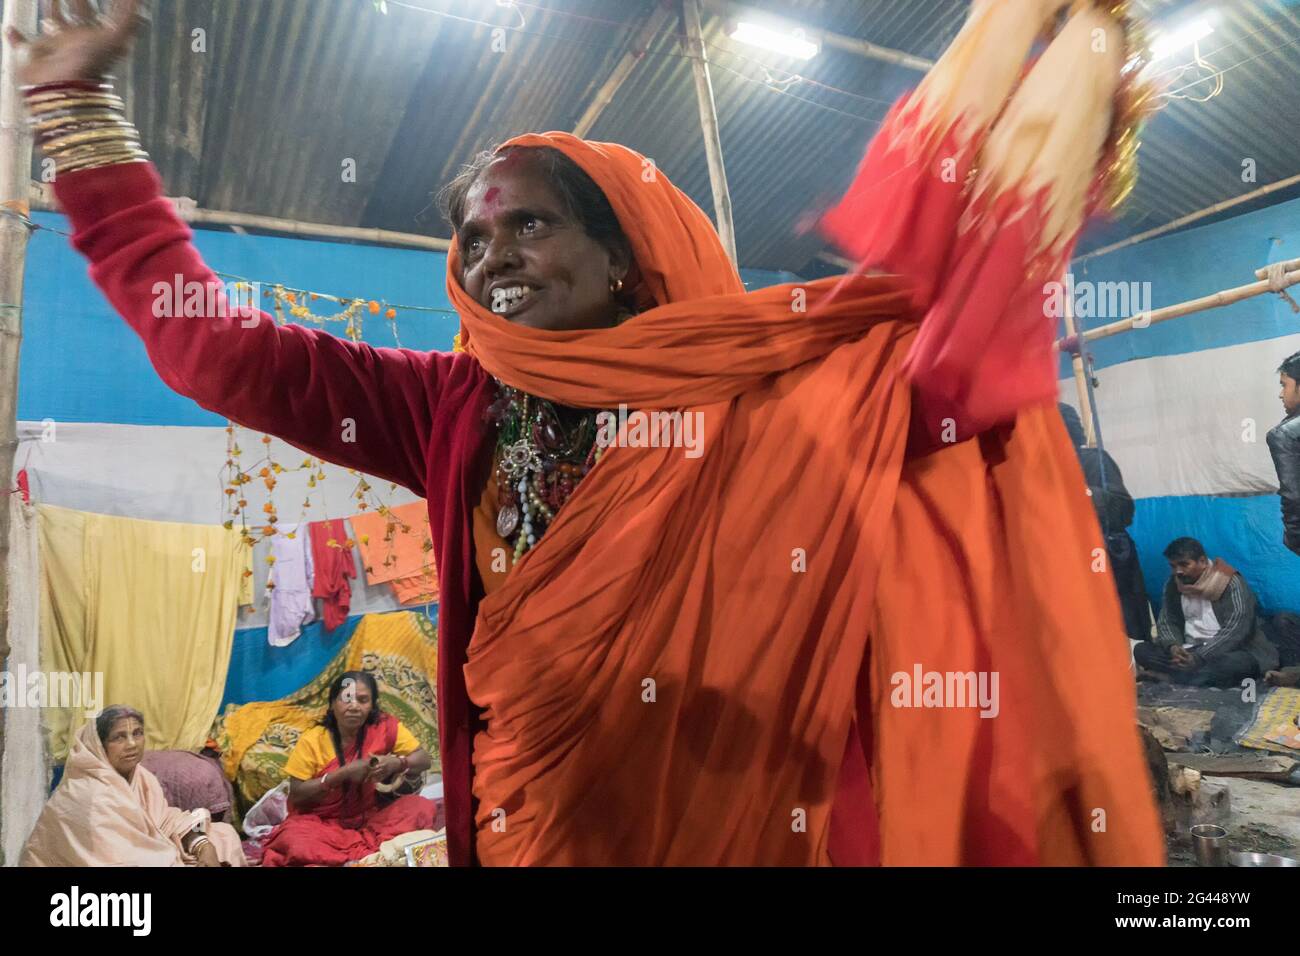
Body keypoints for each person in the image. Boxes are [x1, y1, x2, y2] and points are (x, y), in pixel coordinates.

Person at [12, 0, 1164, 865]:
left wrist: (1041, 110)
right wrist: (78, 119)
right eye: (471, 236)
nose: (490, 253)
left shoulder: (752, 405)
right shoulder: (450, 407)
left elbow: (947, 369)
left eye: (530, 224)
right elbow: (214, 350)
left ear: (624, 256)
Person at [21, 705, 246, 867]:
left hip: (152, 852)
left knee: (223, 836)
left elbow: (165, 819)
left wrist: (202, 844)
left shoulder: (140, 777)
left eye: (137, 734)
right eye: (119, 737)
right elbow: (120, 859)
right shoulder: (87, 796)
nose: (131, 744)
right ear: (98, 746)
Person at [260, 671, 437, 867]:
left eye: (363, 700)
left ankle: (353, 857)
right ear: (332, 704)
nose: (354, 706)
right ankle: (373, 855)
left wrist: (397, 763)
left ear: (372, 706)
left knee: (420, 807)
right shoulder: (313, 740)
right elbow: (297, 795)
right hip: (320, 825)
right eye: (346, 699)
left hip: (370, 820)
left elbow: (424, 759)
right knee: (293, 838)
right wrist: (342, 774)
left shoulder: (383, 727)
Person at [1058, 403, 1153, 642]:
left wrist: (1083, 492)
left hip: (1107, 556)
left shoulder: (1094, 460)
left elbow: (1123, 508)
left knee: (1122, 624)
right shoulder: (1038, 470)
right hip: (1067, 562)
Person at [1136, 538, 1279, 687]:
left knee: (1237, 664)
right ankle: (1186, 676)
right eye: (1173, 566)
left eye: (1184, 564)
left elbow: (1237, 629)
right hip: (1189, 650)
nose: (1178, 571)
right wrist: (1173, 647)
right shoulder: (1173, 585)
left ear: (1203, 562)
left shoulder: (1230, 582)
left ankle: (1173, 678)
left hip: (1229, 651)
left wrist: (1199, 657)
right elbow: (1167, 620)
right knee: (1141, 650)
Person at [1266, 350, 1300, 556]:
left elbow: (1294, 497)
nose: (1281, 394)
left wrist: (1295, 541)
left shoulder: (1284, 435)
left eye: (1284, 385)